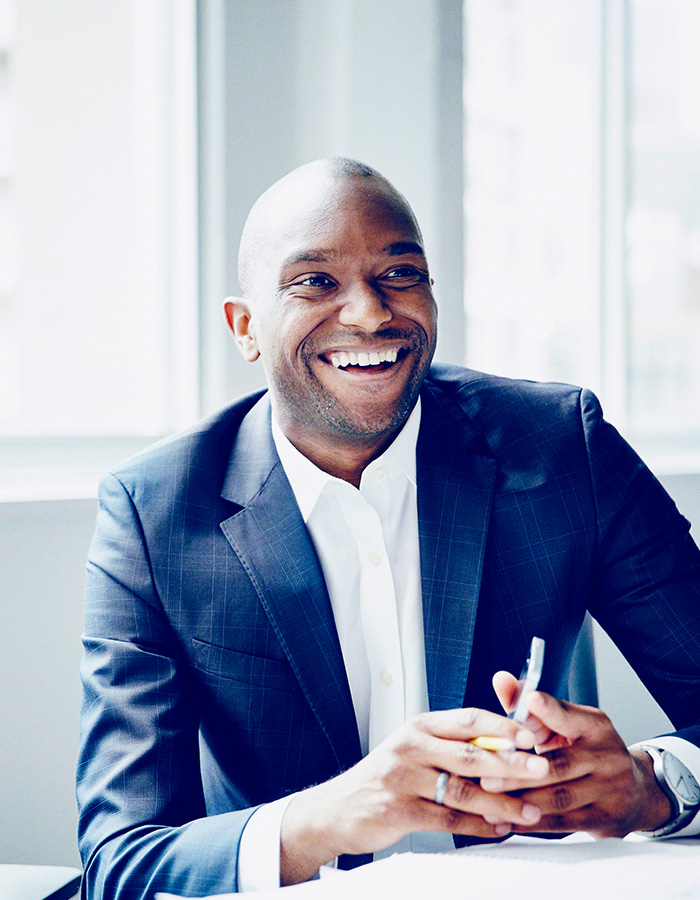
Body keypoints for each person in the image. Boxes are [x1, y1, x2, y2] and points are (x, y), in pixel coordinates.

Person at [77, 157, 700, 898]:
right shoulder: (154, 513)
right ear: (246, 328)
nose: (371, 314)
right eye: (315, 282)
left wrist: (654, 786)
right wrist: (332, 818)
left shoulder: (567, 448)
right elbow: (121, 862)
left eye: (400, 274)